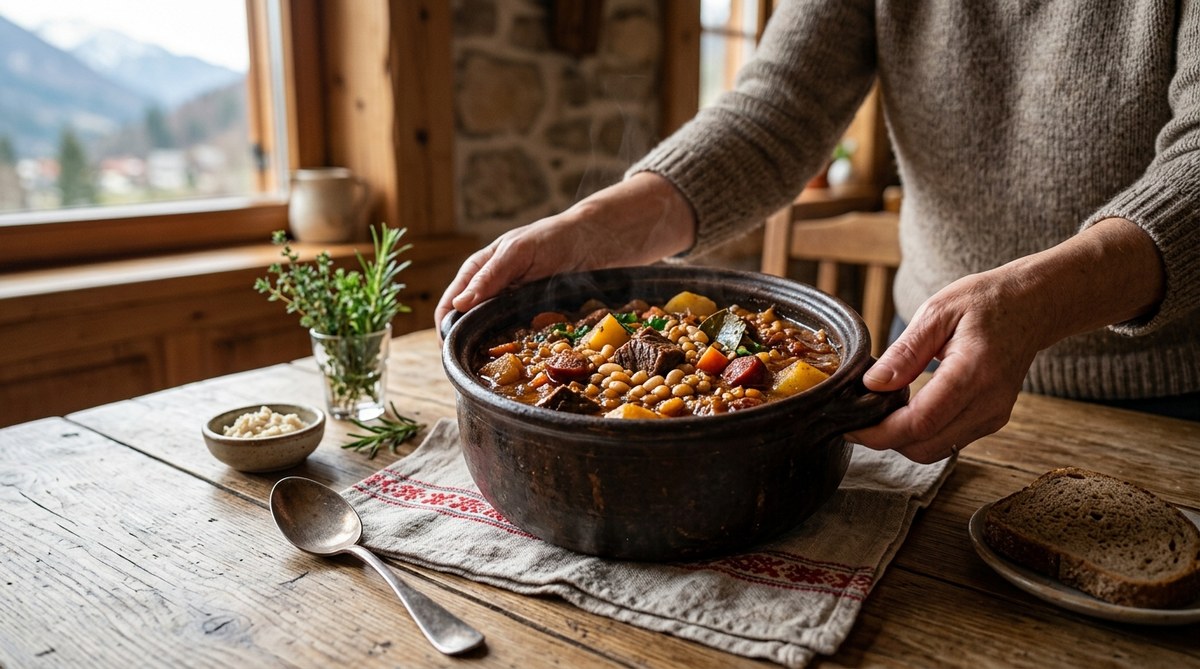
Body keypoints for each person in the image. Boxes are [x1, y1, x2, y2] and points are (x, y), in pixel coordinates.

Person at [438, 0, 1200, 464]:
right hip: (921, 368)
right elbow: (778, 111)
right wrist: (587, 228)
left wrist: (1037, 297)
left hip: (1163, 403)